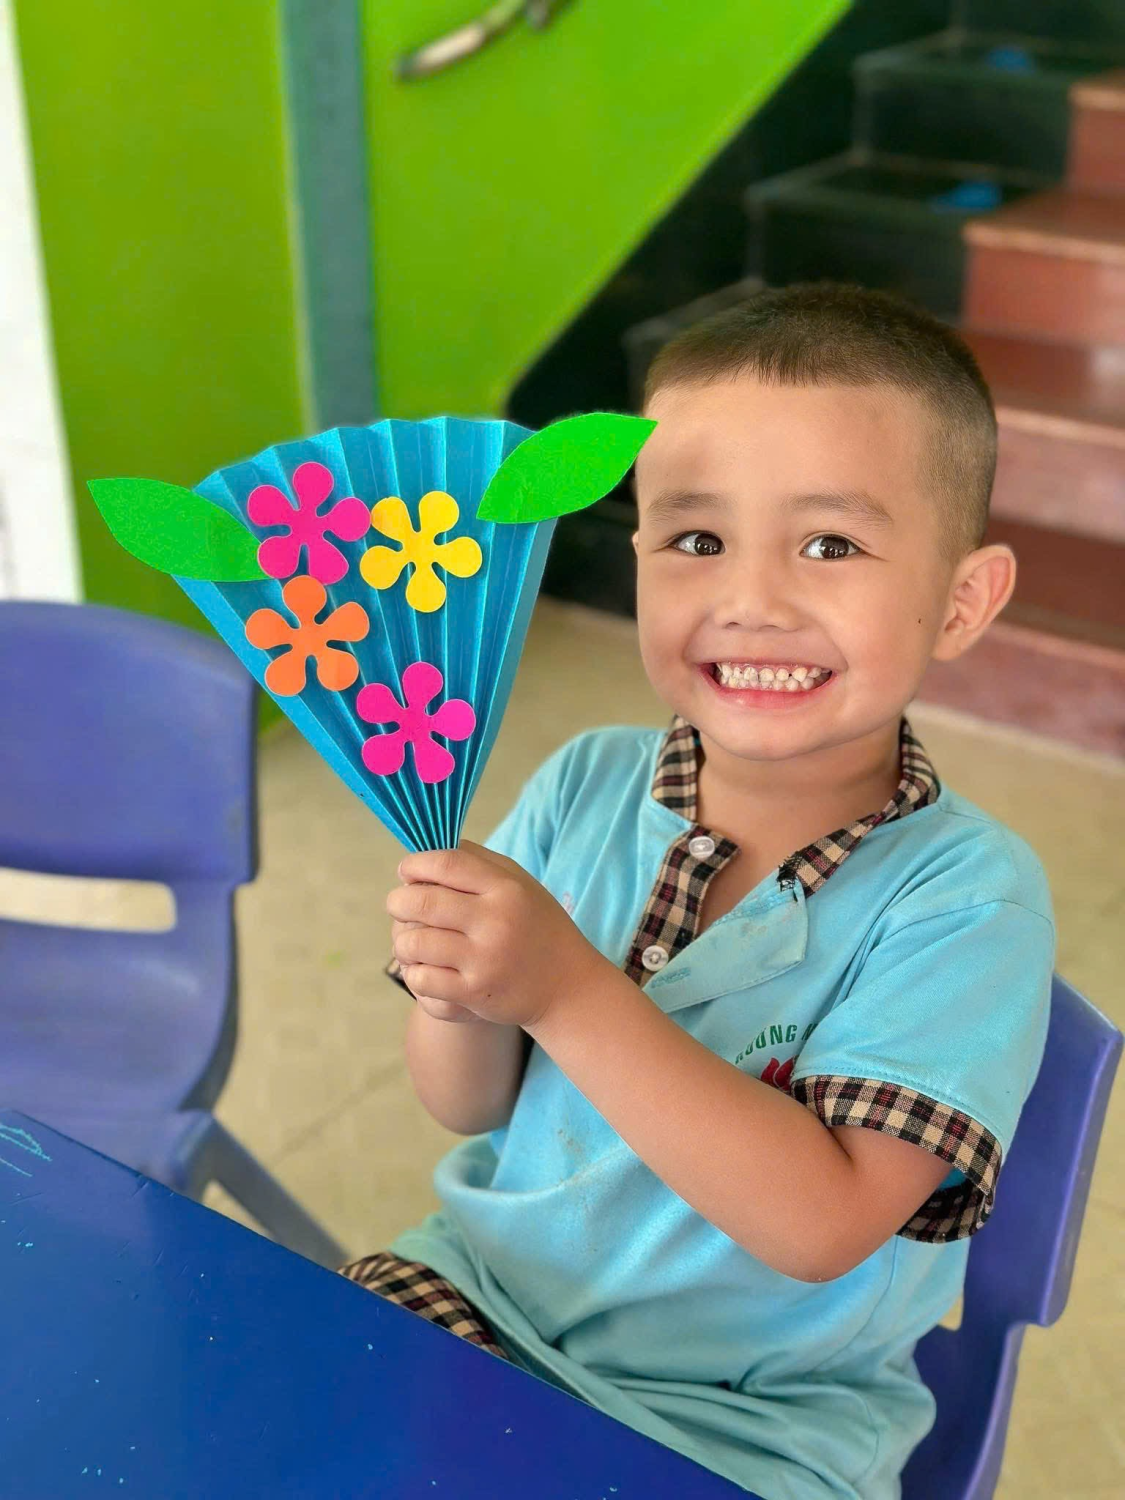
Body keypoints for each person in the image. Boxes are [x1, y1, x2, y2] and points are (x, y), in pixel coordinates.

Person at [340, 283, 1056, 1500]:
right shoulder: (584, 782)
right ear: (638, 560)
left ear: (961, 600)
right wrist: (459, 989)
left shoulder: (968, 901)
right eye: (697, 540)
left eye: (830, 545)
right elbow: (467, 1105)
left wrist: (565, 991)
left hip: (748, 1424)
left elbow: (822, 1225)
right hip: (483, 1296)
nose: (752, 601)